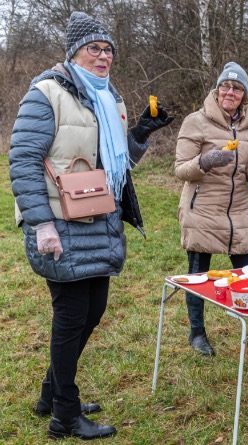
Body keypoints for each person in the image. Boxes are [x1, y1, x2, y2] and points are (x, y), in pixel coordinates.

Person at [9, 12, 174, 440]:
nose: (103, 56)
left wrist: (139, 131)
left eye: (108, 50)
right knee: (70, 315)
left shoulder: (109, 97)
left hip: (99, 218)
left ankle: (51, 391)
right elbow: (23, 159)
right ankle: (64, 413)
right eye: (94, 49)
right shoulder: (47, 93)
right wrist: (41, 223)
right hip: (60, 222)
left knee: (93, 310)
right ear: (74, 53)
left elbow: (116, 163)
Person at [174, 62, 248, 356]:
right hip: (203, 209)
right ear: (217, 89)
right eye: (226, 86)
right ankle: (197, 333)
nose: (230, 92)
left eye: (237, 88)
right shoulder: (195, 122)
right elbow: (180, 170)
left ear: (244, 95)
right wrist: (205, 161)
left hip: (238, 209)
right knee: (199, 277)